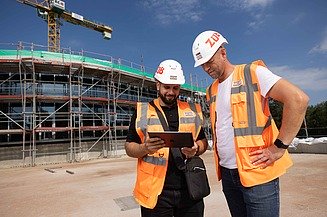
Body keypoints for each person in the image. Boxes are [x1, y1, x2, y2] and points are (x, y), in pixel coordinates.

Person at [191, 30, 309, 217]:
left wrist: (278, 148)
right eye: (202, 65)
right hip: (228, 175)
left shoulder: (252, 73)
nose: (206, 68)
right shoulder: (211, 90)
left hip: (258, 173)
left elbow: (298, 100)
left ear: (223, 53)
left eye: (209, 62)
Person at [125, 59, 209, 217]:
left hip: (190, 189)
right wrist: (145, 148)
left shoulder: (193, 110)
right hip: (156, 193)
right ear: (158, 85)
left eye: (175, 88)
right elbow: (129, 147)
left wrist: (196, 148)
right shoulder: (142, 111)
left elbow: (203, 142)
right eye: (167, 87)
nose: (171, 92)